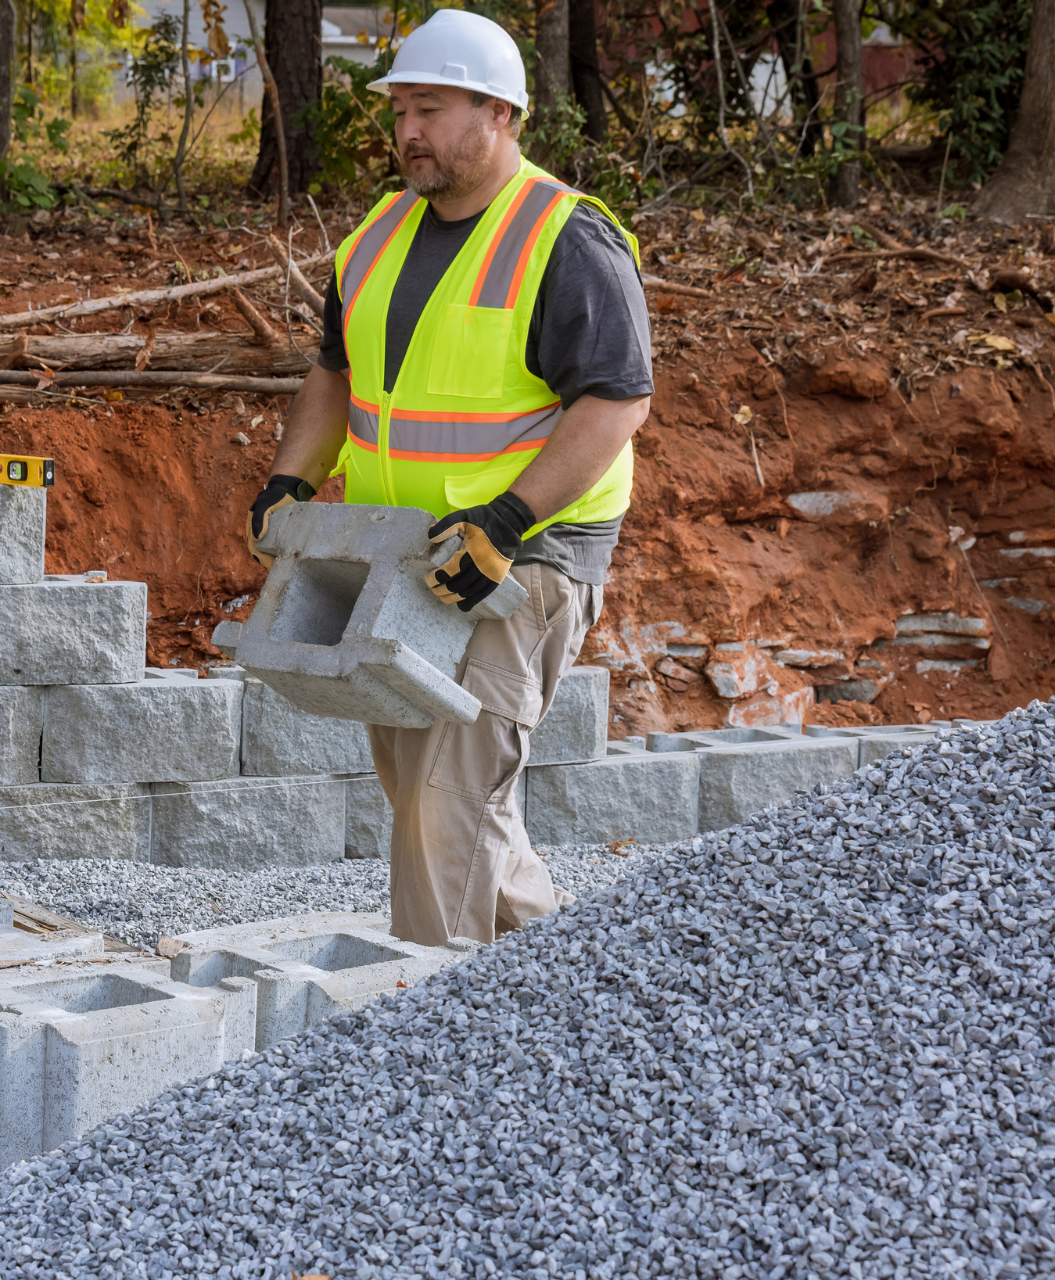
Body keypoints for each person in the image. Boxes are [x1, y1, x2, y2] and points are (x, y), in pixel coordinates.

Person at [245, 9, 651, 948]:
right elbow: (335, 376)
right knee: (441, 802)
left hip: (524, 557)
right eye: (400, 112)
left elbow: (617, 402)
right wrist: (290, 483)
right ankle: (553, 984)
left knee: (445, 806)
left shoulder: (566, 238)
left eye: (430, 109)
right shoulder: (380, 233)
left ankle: (427, 1027)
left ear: (500, 113)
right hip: (410, 557)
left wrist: (505, 523)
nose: (408, 132)